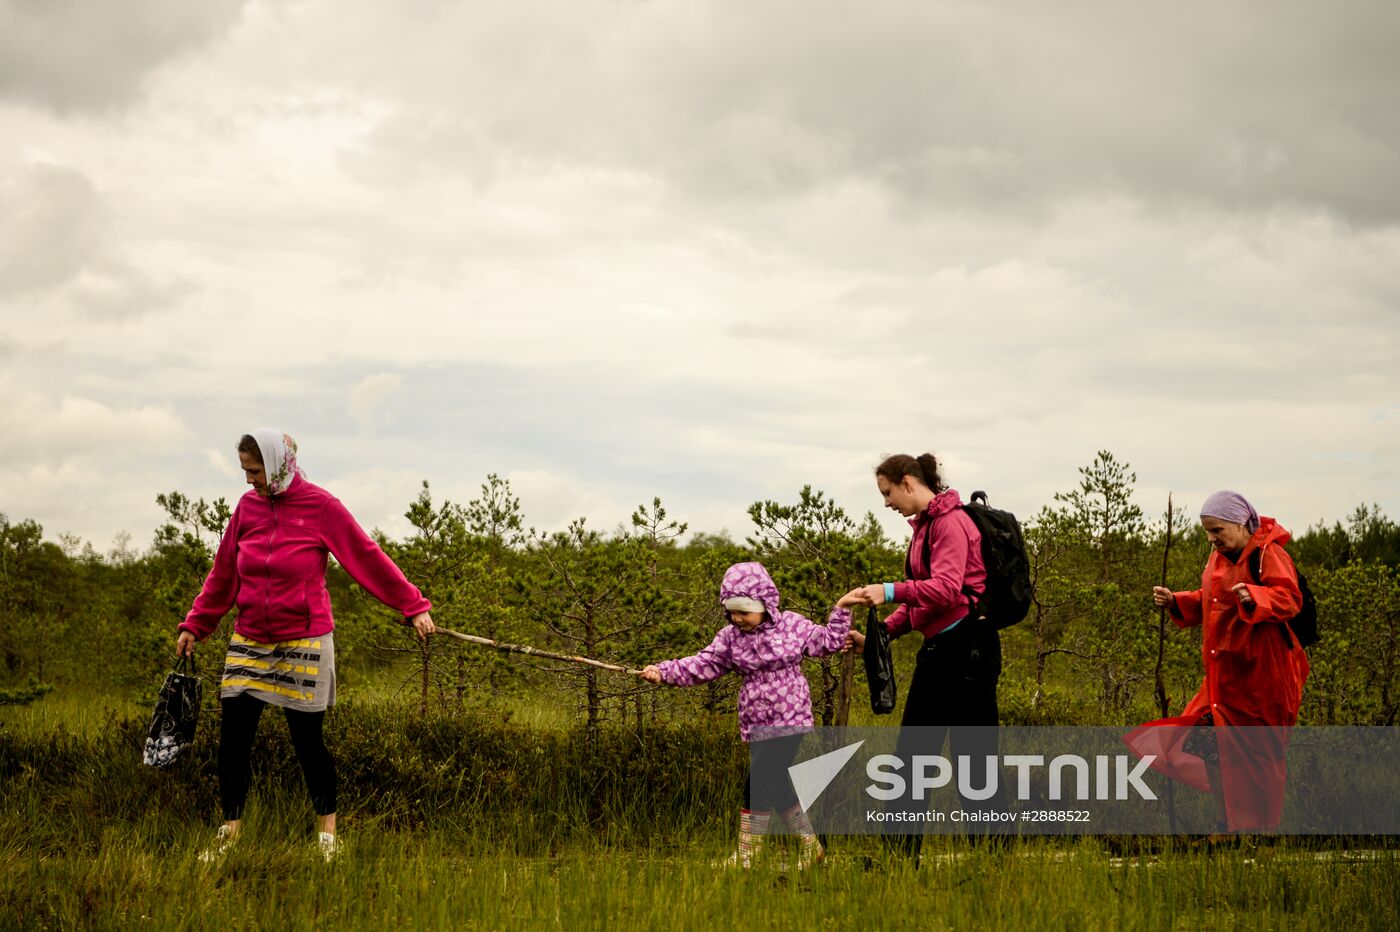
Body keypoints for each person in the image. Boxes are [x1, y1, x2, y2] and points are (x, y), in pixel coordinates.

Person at [176, 429, 435, 862]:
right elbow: (224, 574)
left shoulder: (321, 506)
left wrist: (412, 605)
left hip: (305, 639)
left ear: (279, 464)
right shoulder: (246, 509)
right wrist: (196, 624)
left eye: (255, 471)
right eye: (244, 471)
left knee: (307, 742)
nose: (249, 481)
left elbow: (365, 556)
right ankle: (229, 833)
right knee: (233, 738)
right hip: (250, 639)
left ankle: (327, 836)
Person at [639, 562, 864, 868]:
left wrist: (841, 608)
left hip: (790, 718)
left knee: (758, 780)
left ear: (765, 604)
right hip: (756, 721)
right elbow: (702, 664)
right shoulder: (730, 639)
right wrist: (662, 671)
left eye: (744, 611)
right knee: (777, 783)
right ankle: (811, 846)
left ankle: (748, 853)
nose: (737, 618)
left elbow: (828, 642)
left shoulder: (792, 626)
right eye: (731, 611)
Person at [845, 452, 1006, 852]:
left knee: (972, 760)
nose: (886, 503)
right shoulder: (925, 528)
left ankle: (991, 859)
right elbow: (925, 602)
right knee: (916, 754)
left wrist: (887, 591)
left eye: (887, 493)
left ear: (908, 482)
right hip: (944, 648)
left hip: (968, 648)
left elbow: (947, 589)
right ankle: (899, 858)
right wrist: (881, 634)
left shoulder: (951, 523)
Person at [1127, 490, 1309, 836]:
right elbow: (1211, 601)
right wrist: (1176, 600)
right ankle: (1224, 827)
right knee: (1208, 744)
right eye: (1208, 532)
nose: (1212, 539)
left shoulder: (1269, 554)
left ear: (1241, 524)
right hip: (1223, 679)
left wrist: (1254, 595)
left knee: (1257, 757)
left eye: (1218, 531)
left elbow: (1289, 598)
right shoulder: (1217, 559)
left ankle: (1259, 833)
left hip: (1261, 677)